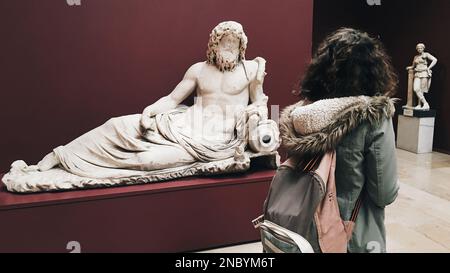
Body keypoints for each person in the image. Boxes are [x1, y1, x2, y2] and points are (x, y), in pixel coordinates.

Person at [8, 21, 274, 179]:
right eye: (224, 43)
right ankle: (60, 156)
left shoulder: (251, 70)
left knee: (147, 162)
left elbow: (260, 107)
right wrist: (148, 112)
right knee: (116, 125)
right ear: (213, 46)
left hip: (213, 142)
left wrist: (255, 119)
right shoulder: (198, 70)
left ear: (242, 46)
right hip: (180, 124)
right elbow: (171, 99)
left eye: (234, 44)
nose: (229, 49)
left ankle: (80, 168)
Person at [279, 28, 399, 253]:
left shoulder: (303, 114)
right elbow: (385, 192)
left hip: (301, 231)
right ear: (374, 70)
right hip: (350, 236)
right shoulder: (373, 117)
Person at [406, 43, 438, 110]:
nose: (419, 49)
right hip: (417, 73)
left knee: (422, 90)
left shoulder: (426, 54)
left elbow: (435, 60)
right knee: (416, 89)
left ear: (423, 48)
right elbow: (413, 66)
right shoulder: (416, 57)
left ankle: (419, 105)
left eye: (421, 48)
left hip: (424, 73)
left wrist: (429, 68)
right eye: (418, 48)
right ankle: (425, 103)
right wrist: (410, 67)